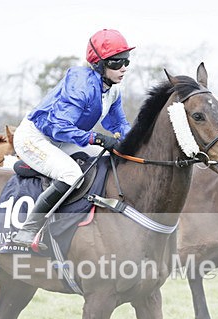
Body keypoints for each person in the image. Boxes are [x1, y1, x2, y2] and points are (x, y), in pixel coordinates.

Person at [10, 28, 134, 249]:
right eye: (116, 62)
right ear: (99, 64)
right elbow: (59, 126)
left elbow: (118, 125)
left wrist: (135, 141)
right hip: (36, 137)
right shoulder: (82, 84)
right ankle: (28, 230)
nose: (123, 67)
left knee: (107, 158)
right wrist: (96, 138)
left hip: (63, 138)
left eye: (126, 61)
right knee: (71, 174)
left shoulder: (113, 90)